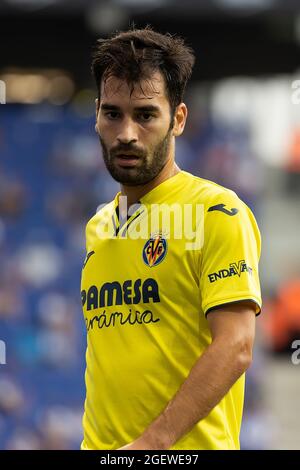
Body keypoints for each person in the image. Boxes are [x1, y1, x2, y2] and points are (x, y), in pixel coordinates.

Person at [80, 26, 262, 450]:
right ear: (97, 116)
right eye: (113, 113)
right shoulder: (98, 226)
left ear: (177, 119)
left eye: (145, 115)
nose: (126, 133)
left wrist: (152, 443)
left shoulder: (217, 212)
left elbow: (236, 345)